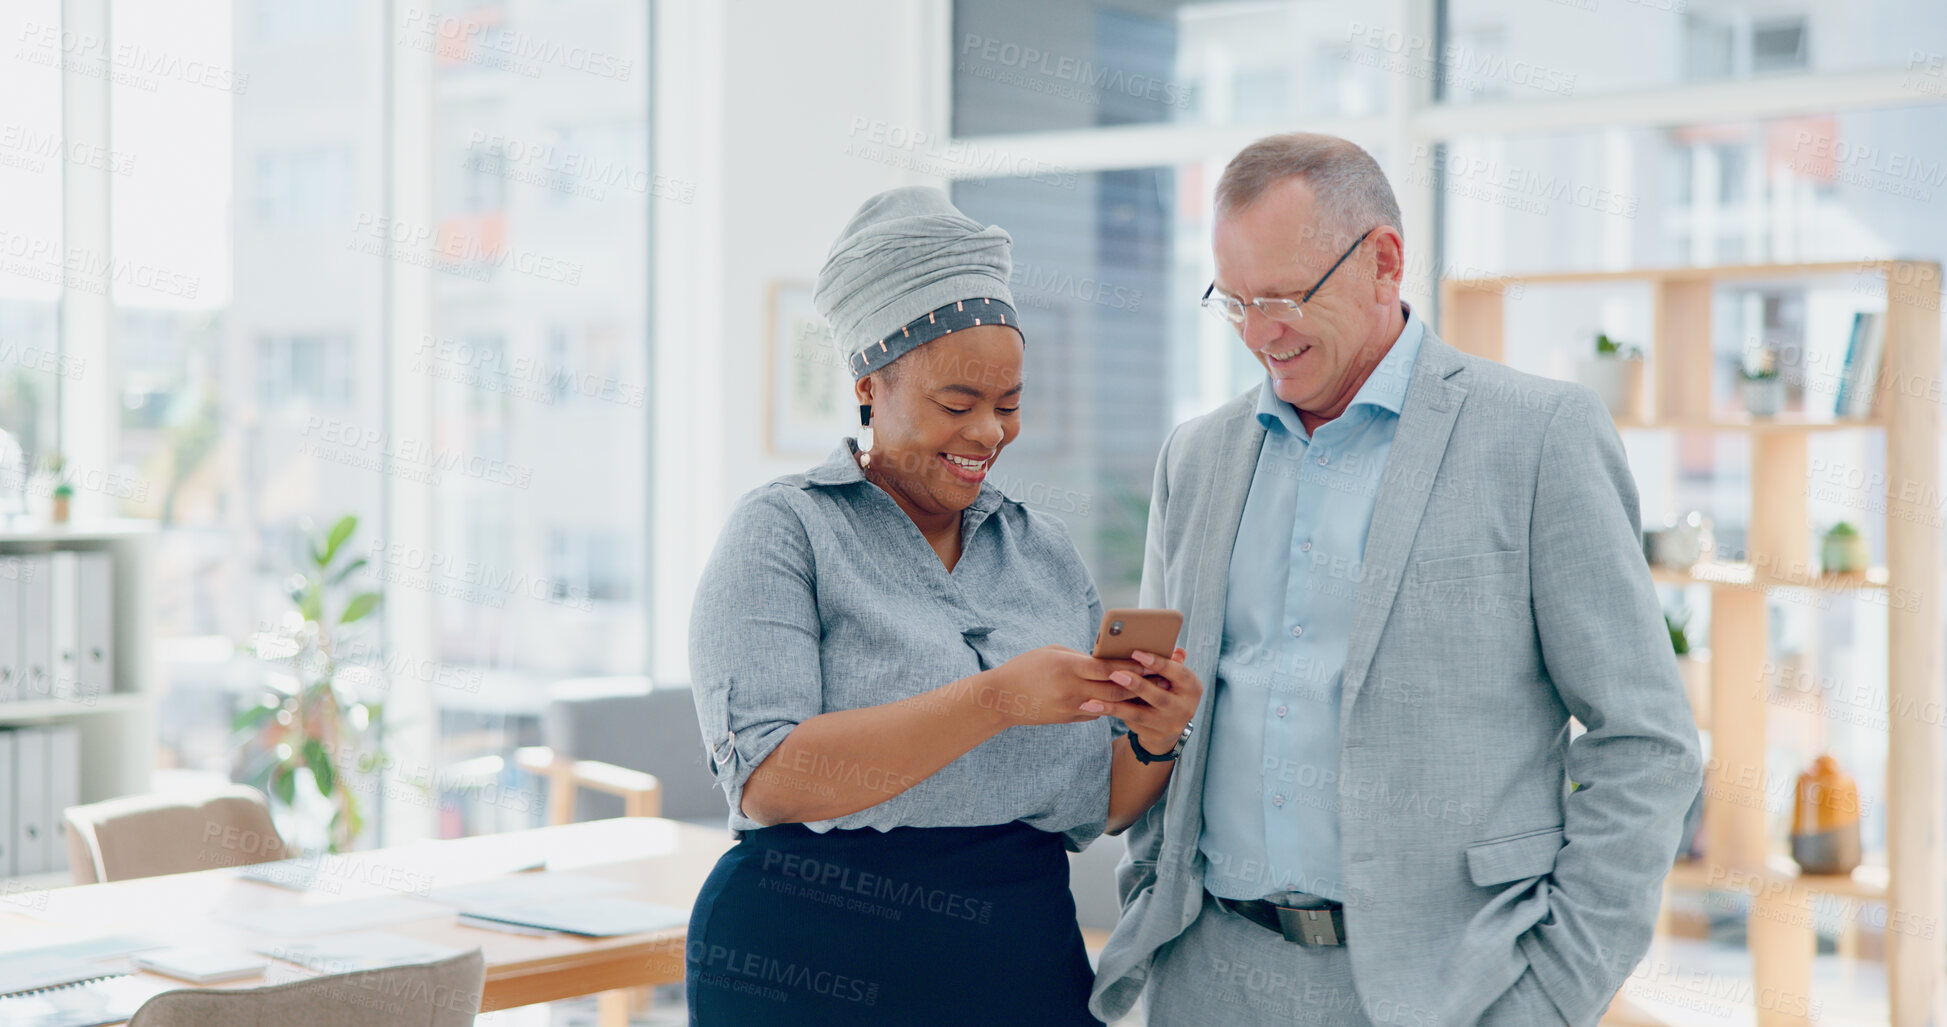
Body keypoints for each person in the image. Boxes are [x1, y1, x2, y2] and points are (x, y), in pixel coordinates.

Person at [1088, 134, 1704, 1026]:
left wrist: (1552, 993)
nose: (1262, 332)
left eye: (1287, 295)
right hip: (1210, 974)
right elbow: (1166, 713)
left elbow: (1646, 741)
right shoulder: (1199, 455)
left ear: (1384, 262)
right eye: (1235, 302)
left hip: (1450, 989)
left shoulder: (1536, 437)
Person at [685, 186, 1202, 1027]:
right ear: (868, 389)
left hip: (1018, 953)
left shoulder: (1040, 548)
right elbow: (770, 779)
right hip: (806, 956)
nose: (990, 433)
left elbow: (1100, 801)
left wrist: (1154, 732)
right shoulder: (785, 530)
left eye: (1009, 405)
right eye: (957, 405)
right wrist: (995, 698)